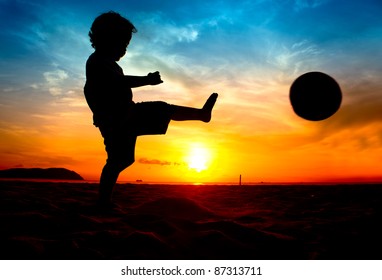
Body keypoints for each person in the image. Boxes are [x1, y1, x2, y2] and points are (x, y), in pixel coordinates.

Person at [84, 11, 218, 208]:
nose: (125, 50)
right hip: (120, 118)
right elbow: (117, 83)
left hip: (124, 117)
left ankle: (103, 201)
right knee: (161, 111)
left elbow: (112, 84)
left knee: (121, 160)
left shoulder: (109, 64)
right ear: (105, 39)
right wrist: (147, 80)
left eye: (127, 45)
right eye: (122, 44)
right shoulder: (96, 62)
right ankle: (201, 114)